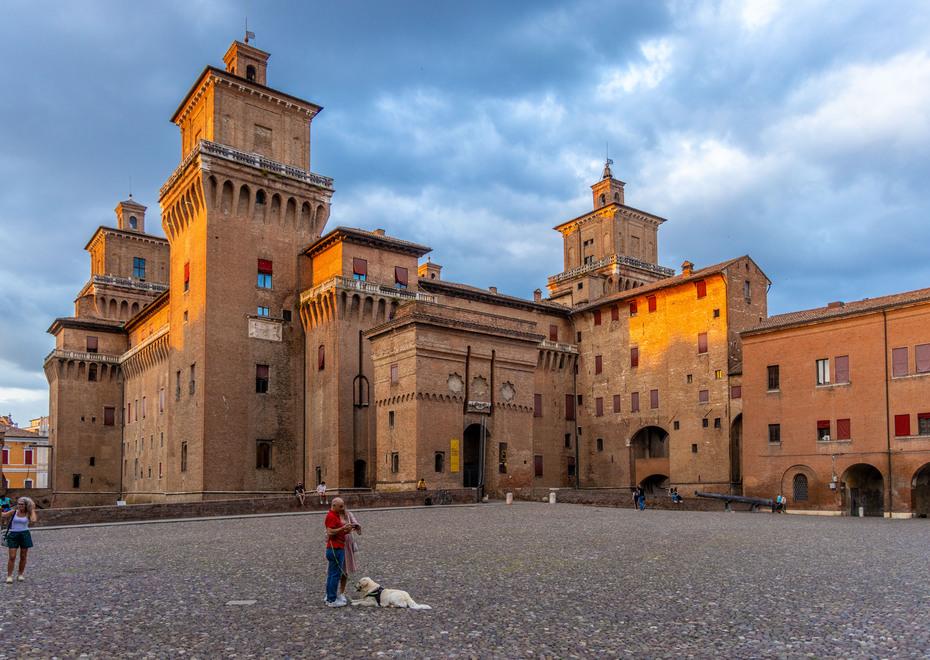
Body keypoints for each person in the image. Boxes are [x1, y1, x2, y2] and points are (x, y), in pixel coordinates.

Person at [324, 497, 354, 607]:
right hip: (335, 549)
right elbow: (330, 532)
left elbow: (337, 532)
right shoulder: (331, 516)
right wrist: (342, 529)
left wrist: (347, 529)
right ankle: (332, 600)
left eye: (343, 506)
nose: (342, 508)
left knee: (332, 575)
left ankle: (329, 597)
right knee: (335, 575)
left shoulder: (335, 515)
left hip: (335, 548)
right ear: (334, 505)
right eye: (340, 506)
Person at [2, 497, 36, 584]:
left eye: (22, 504)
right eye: (18, 504)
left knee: (23, 556)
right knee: (12, 556)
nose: (19, 505)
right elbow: (3, 515)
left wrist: (32, 510)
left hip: (25, 534)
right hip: (13, 535)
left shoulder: (28, 513)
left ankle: (20, 574)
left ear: (25, 505)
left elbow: (33, 520)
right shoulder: (14, 512)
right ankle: (9, 576)